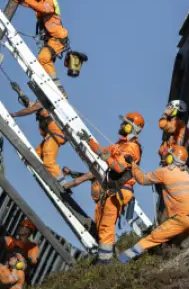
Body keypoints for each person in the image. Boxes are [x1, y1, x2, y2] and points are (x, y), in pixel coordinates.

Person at [62, 112, 145, 263]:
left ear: (131, 127)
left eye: (125, 123)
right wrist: (90, 142)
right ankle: (109, 255)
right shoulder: (120, 145)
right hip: (112, 192)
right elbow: (104, 151)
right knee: (102, 226)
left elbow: (118, 167)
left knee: (106, 226)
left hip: (120, 190)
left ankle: (105, 262)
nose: (121, 126)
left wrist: (105, 156)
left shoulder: (132, 147)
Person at [118, 145, 189, 263]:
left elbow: (142, 179)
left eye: (169, 155)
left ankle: (122, 259)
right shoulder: (185, 174)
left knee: (152, 238)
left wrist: (132, 164)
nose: (166, 156)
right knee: (178, 247)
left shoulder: (164, 172)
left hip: (185, 219)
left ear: (172, 158)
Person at [0, 0, 70, 78]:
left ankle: (57, 88)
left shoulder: (50, 1)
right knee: (42, 64)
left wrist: (27, 1)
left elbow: (42, 8)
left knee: (43, 59)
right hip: (50, 39)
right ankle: (48, 83)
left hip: (58, 38)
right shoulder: (37, 0)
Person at [10, 96, 66, 179]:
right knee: (37, 154)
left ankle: (62, 182)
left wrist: (14, 114)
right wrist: (22, 95)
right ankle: (43, 173)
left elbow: (29, 110)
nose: (28, 106)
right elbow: (30, 106)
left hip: (55, 134)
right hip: (50, 136)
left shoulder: (41, 102)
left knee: (48, 157)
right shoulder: (38, 106)